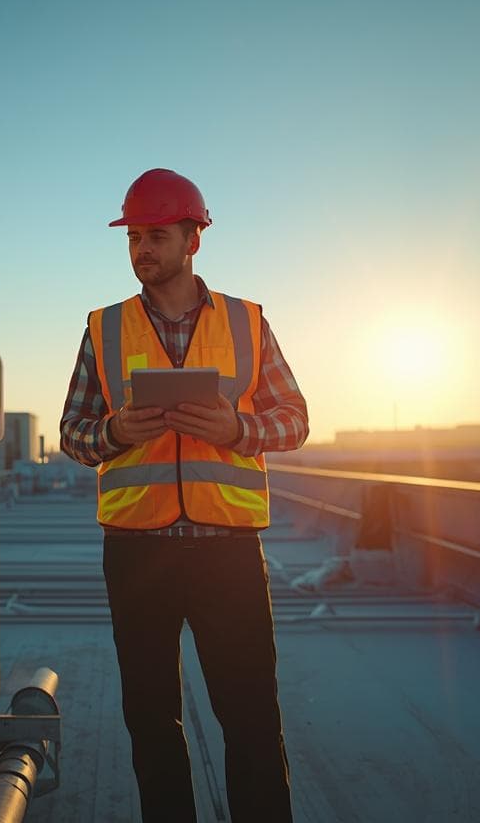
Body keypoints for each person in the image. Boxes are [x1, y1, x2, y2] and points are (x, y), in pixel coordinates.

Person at [58, 168, 309, 821]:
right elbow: (73, 434)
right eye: (135, 236)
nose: (143, 249)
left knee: (251, 719)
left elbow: (295, 420)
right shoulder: (104, 329)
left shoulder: (247, 322)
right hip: (138, 554)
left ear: (192, 239)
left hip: (227, 552)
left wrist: (238, 429)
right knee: (151, 722)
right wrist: (113, 431)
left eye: (157, 235)